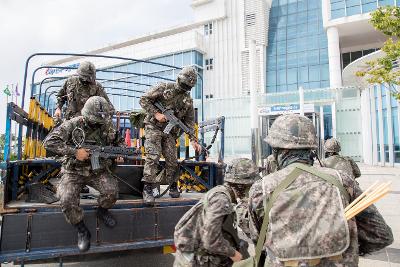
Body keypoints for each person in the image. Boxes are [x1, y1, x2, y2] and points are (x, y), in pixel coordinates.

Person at [248, 114, 393, 267]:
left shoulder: (262, 188)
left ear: (276, 151)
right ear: (312, 149)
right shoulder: (342, 181)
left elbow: (259, 239)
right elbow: (381, 235)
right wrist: (346, 249)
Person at [44, 96, 124, 252]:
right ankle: (81, 229)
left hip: (96, 170)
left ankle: (102, 211)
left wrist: (119, 152)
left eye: (99, 121)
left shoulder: (107, 126)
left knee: (112, 192)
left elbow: (118, 141)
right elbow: (49, 142)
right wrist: (75, 152)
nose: (97, 123)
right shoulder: (72, 125)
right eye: (93, 120)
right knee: (67, 200)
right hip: (73, 170)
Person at [174, 158, 260, 267]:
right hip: (193, 260)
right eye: (249, 186)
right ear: (241, 185)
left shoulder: (224, 194)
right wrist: (233, 253)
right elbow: (210, 239)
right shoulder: (221, 200)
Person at [139, 66, 202, 204]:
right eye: (184, 84)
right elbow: (143, 99)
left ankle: (173, 184)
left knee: (172, 159)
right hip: (153, 126)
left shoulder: (188, 101)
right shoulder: (164, 87)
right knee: (153, 155)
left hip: (169, 132)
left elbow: (189, 122)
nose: (185, 87)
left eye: (188, 86)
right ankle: (148, 187)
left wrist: (193, 140)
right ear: (179, 79)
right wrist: (156, 114)